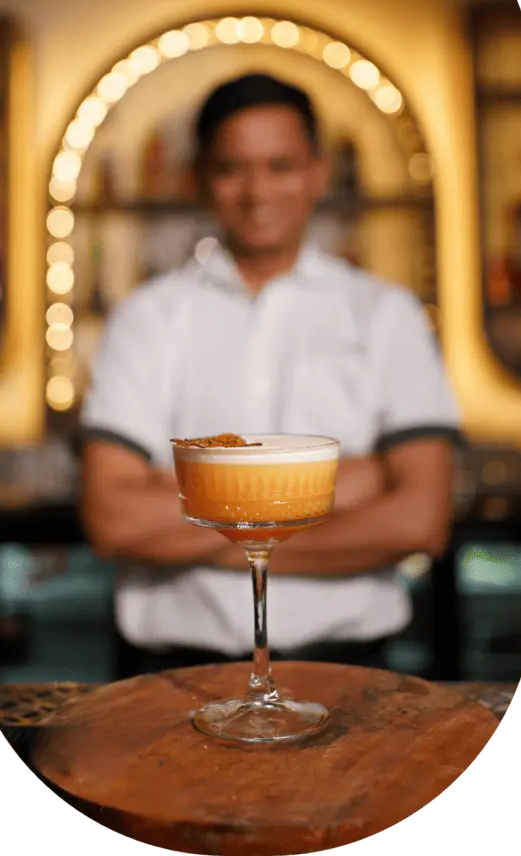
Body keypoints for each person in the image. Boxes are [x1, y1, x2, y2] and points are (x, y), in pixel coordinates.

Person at [80, 72, 461, 676]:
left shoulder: (387, 314)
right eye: (233, 167)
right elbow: (113, 519)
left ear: (316, 171)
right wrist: (333, 493)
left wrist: (196, 524)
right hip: (173, 680)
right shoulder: (145, 318)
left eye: (280, 165)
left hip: (350, 677)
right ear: (201, 177)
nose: (258, 191)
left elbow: (421, 519)